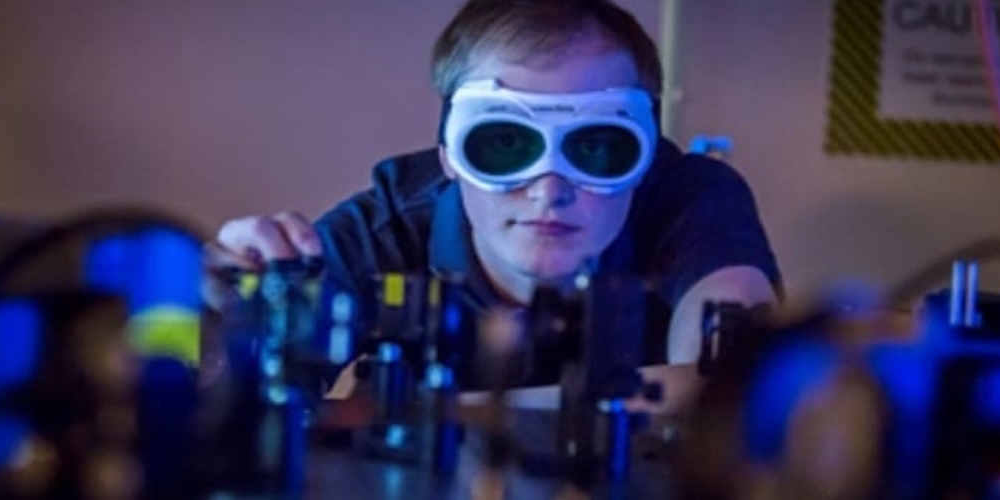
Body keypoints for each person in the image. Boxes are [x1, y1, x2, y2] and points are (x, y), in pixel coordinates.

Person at [209, 0, 781, 412]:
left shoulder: (690, 199)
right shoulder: (391, 226)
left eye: (597, 148)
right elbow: (240, 395)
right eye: (505, 143)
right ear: (450, 156)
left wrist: (418, 417)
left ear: (646, 154)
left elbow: (737, 385)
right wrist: (212, 323)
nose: (548, 189)